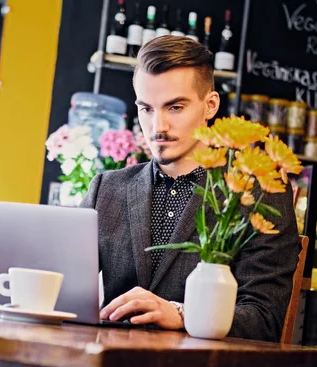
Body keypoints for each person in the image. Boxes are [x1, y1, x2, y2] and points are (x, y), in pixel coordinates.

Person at [80, 36, 299, 342]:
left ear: (210, 106)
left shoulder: (260, 189)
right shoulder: (107, 188)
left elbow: (264, 317)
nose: (158, 126)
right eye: (146, 109)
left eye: (175, 107)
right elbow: (66, 291)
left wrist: (184, 315)